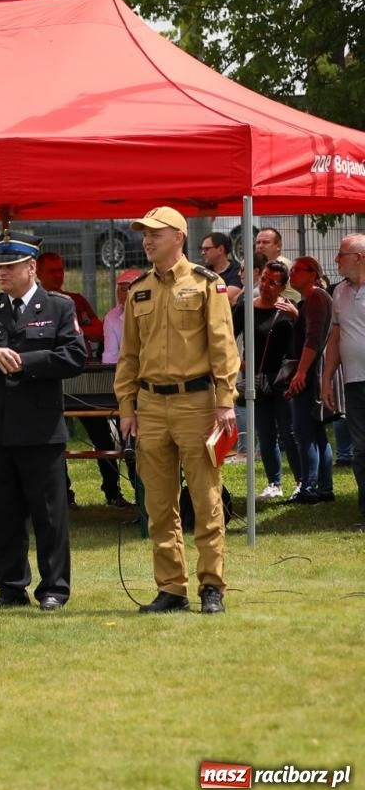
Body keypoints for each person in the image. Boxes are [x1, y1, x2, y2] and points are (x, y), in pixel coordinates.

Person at [115, 207, 239, 614]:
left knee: (206, 498)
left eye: (156, 233)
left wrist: (225, 401)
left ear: (179, 238)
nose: (147, 240)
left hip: (197, 404)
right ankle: (171, 588)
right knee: (159, 503)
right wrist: (126, 405)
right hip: (150, 406)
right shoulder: (139, 289)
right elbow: (128, 355)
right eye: (144, 234)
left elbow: (223, 347)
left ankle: (211, 586)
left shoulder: (207, 284)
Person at [0, 232, 87, 610]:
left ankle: (54, 588)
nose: (1, 274)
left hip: (41, 426)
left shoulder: (58, 307)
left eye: (9, 267)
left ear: (31, 267)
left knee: (49, 513)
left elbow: (73, 356)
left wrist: (22, 361)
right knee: (5, 512)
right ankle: (11, 586)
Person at [37, 250, 130, 509]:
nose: (59, 275)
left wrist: (71, 326)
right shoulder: (36, 302)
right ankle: (63, 496)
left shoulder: (75, 300)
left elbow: (98, 331)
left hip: (85, 377)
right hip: (53, 379)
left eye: (61, 269)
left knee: (103, 439)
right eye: (53, 270)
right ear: (38, 272)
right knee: (54, 441)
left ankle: (113, 492)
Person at [238, 261, 296, 502]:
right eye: (263, 279)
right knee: (266, 433)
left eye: (272, 282)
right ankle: (274, 483)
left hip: (282, 381)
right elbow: (227, 338)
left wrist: (297, 316)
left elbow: (302, 343)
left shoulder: (288, 311)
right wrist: (240, 365)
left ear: (282, 287)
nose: (265, 285)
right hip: (257, 381)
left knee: (289, 432)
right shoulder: (245, 308)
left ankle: (303, 481)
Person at [321, 233, 365, 529]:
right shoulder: (339, 293)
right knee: (361, 449)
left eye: (342, 254)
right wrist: (326, 379)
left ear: (359, 258)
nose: (336, 259)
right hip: (354, 382)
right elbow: (336, 337)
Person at [285, 255, 334, 504]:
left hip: (311, 375)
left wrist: (301, 372)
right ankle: (323, 488)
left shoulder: (315, 296)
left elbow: (313, 339)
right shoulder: (313, 299)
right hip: (314, 374)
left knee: (304, 432)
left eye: (297, 270)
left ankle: (310, 488)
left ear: (313, 274)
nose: (291, 274)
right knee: (315, 432)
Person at [102, 269, 145, 363]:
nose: (127, 294)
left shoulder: (155, 312)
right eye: (123, 289)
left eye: (132, 289)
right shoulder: (111, 318)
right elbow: (110, 356)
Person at [199, 232, 243, 305]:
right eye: (202, 249)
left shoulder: (236, 270)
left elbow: (227, 295)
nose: (202, 253)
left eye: (206, 249)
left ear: (220, 249)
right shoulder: (203, 271)